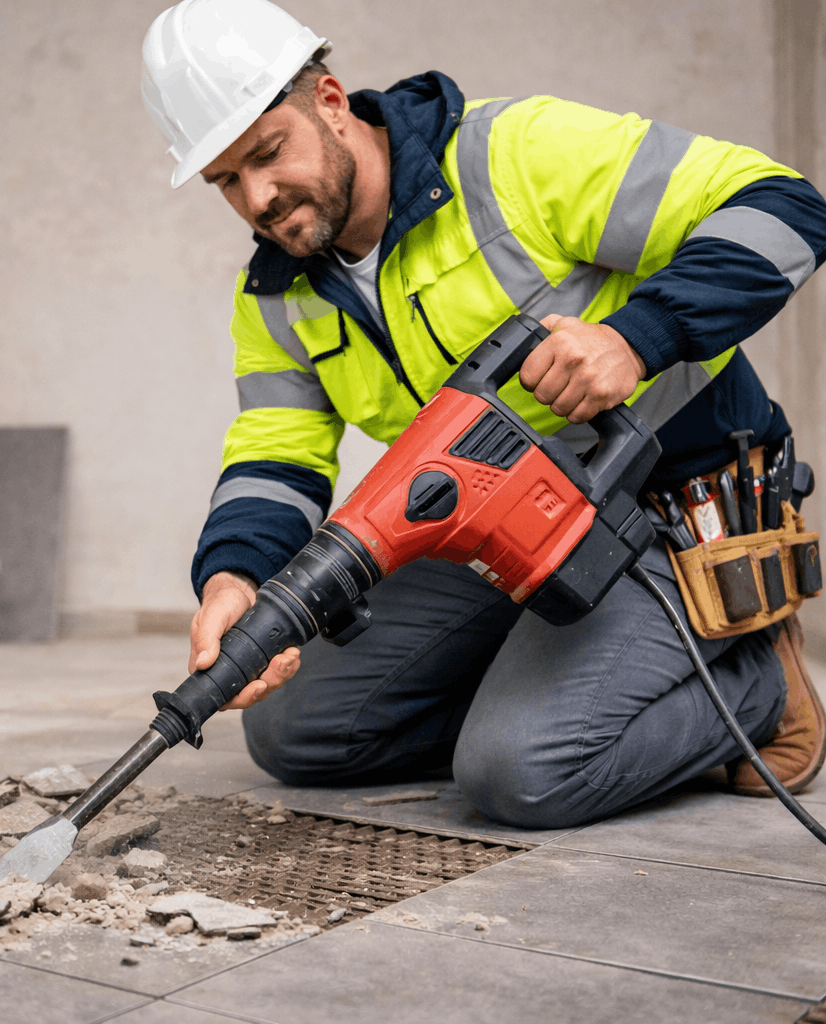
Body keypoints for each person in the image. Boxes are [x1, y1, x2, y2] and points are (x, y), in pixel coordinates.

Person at [140, 0, 826, 827]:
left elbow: (787, 207)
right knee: (296, 733)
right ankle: (544, 691)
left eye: (267, 153)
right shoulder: (278, 295)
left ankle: (754, 683)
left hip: (668, 514)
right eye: (224, 180)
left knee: (519, 774)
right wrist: (233, 578)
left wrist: (635, 338)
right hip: (495, 530)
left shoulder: (514, 157)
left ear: (329, 100)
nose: (258, 197)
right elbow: (277, 453)